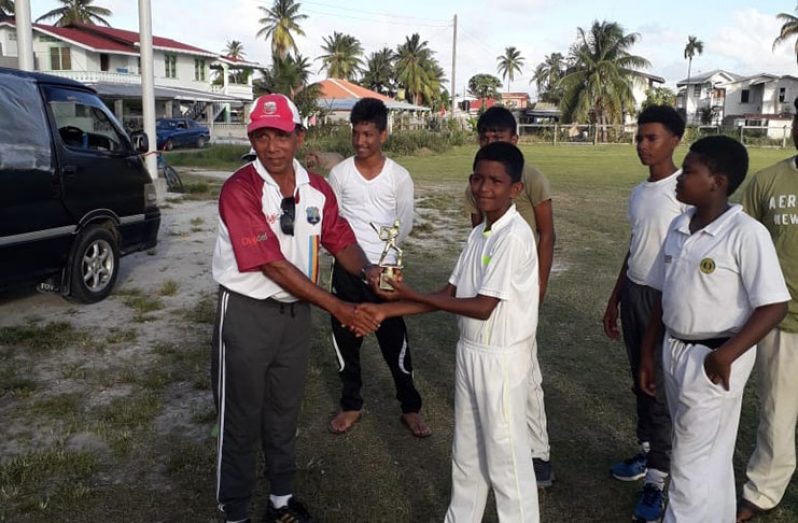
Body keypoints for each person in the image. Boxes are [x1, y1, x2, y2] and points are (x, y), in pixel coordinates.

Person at [210, 94, 380, 523]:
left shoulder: (317, 189)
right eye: (261, 136)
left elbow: (339, 239)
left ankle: (281, 501)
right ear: (252, 138)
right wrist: (338, 307)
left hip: (295, 317)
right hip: (247, 313)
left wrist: (371, 272)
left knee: (286, 410)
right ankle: (234, 512)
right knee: (241, 417)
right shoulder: (239, 188)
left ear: (299, 136)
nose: (271, 147)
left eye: (281, 135)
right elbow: (269, 263)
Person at [363, 141, 541, 522]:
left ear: (516, 189)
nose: (484, 188)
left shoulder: (514, 236)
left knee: (506, 460)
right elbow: (447, 295)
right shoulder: (481, 233)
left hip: (502, 358)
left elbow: (482, 305)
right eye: (478, 178)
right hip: (470, 351)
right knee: (467, 453)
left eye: (496, 181)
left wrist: (406, 292)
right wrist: (385, 309)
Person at [639, 136, 790, 523]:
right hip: (675, 350)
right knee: (709, 457)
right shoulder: (678, 225)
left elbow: (773, 304)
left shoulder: (746, 233)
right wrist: (648, 352)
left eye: (689, 172)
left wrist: (725, 354)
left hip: (716, 357)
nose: (679, 177)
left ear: (717, 182)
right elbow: (664, 294)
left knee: (690, 461)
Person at [326, 98, 430, 437]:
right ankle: (351, 404)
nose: (360, 142)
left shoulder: (398, 177)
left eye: (368, 134)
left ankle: (410, 407)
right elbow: (334, 224)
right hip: (347, 269)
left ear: (383, 135)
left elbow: (406, 222)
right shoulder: (339, 174)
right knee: (346, 341)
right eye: (356, 134)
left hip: (386, 273)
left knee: (395, 342)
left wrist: (384, 261)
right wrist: (355, 261)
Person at [464, 106, 556, 487]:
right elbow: (480, 237)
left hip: (519, 286)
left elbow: (546, 234)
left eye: (498, 136)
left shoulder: (529, 177)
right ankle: (507, 447)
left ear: (514, 139)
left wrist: (539, 286)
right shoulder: (478, 183)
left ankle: (538, 453)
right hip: (495, 283)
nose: (491, 142)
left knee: (526, 376)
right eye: (485, 137)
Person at [601, 105, 686, 520]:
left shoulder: (684, 191)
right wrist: (616, 296)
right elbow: (635, 247)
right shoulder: (639, 192)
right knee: (639, 379)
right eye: (639, 137)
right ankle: (647, 451)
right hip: (634, 292)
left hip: (663, 301)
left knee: (658, 388)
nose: (642, 145)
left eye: (651, 138)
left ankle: (659, 478)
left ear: (675, 140)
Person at [735, 97, 798, 523]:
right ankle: (762, 491)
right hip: (782, 319)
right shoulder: (768, 181)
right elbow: (741, 243)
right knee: (778, 411)